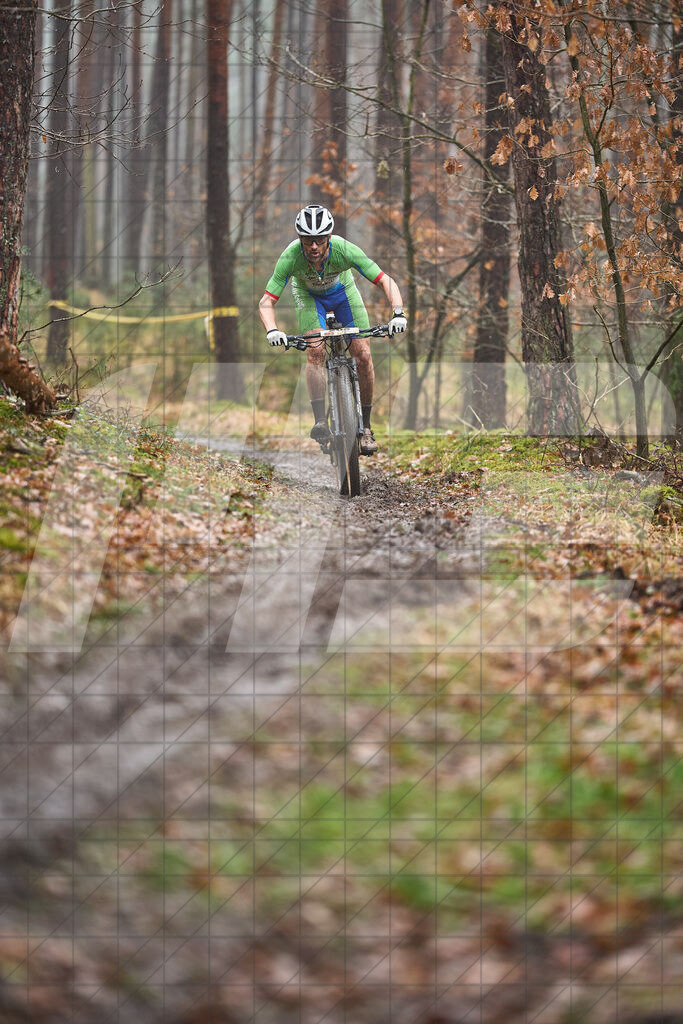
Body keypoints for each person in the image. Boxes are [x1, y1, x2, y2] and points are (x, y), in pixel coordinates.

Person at [258, 203, 406, 455]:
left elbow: (384, 280)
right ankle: (320, 421)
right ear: (300, 239)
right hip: (309, 298)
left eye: (319, 239)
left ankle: (366, 428)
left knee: (363, 355)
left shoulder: (344, 249)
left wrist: (398, 313)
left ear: (329, 237)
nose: (314, 246)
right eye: (307, 240)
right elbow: (266, 301)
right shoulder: (290, 257)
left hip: (343, 294)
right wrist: (272, 330)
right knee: (315, 351)